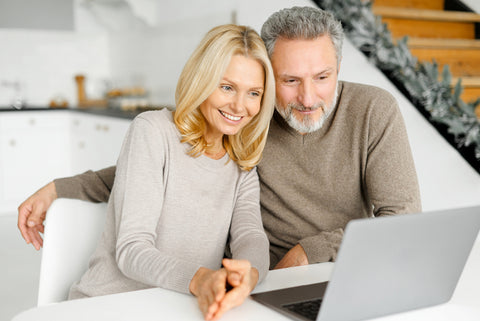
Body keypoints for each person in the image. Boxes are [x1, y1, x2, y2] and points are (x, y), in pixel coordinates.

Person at [19, 6, 421, 272]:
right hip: (259, 281)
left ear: (338, 68)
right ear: (267, 75)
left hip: (349, 268)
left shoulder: (373, 110)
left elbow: (403, 219)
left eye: (323, 77)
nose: (308, 98)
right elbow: (167, 162)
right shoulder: (247, 119)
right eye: (289, 80)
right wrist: (60, 188)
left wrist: (312, 251)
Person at [21, 24, 276, 321]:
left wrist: (247, 275)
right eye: (227, 87)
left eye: (253, 93)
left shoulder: (241, 161)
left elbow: (251, 235)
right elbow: (132, 250)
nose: (239, 106)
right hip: (108, 307)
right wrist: (202, 279)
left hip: (179, 307)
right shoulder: (153, 132)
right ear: (202, 80)